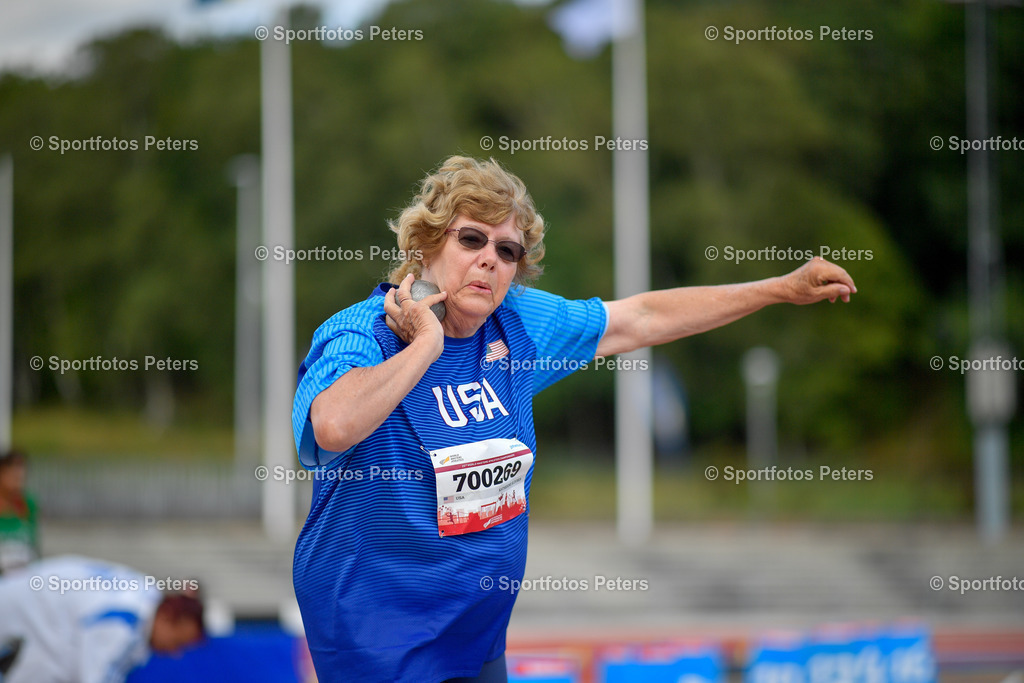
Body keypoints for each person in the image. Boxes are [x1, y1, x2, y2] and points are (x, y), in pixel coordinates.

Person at [291, 156, 856, 682]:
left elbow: (641, 318)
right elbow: (332, 428)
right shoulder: (361, 331)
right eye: (471, 239)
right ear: (424, 246)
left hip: (476, 633)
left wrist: (779, 288)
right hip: (377, 638)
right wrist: (424, 347)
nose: (490, 258)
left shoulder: (516, 324)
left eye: (507, 251)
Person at [0, 555, 204, 683]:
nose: (175, 652)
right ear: (168, 619)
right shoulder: (124, 623)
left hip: (36, 611)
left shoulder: (146, 596)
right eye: (178, 642)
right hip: (19, 608)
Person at [0, 450, 38, 576]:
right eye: (12, 472)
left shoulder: (27, 504)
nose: (18, 475)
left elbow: (34, 545)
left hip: (22, 578)